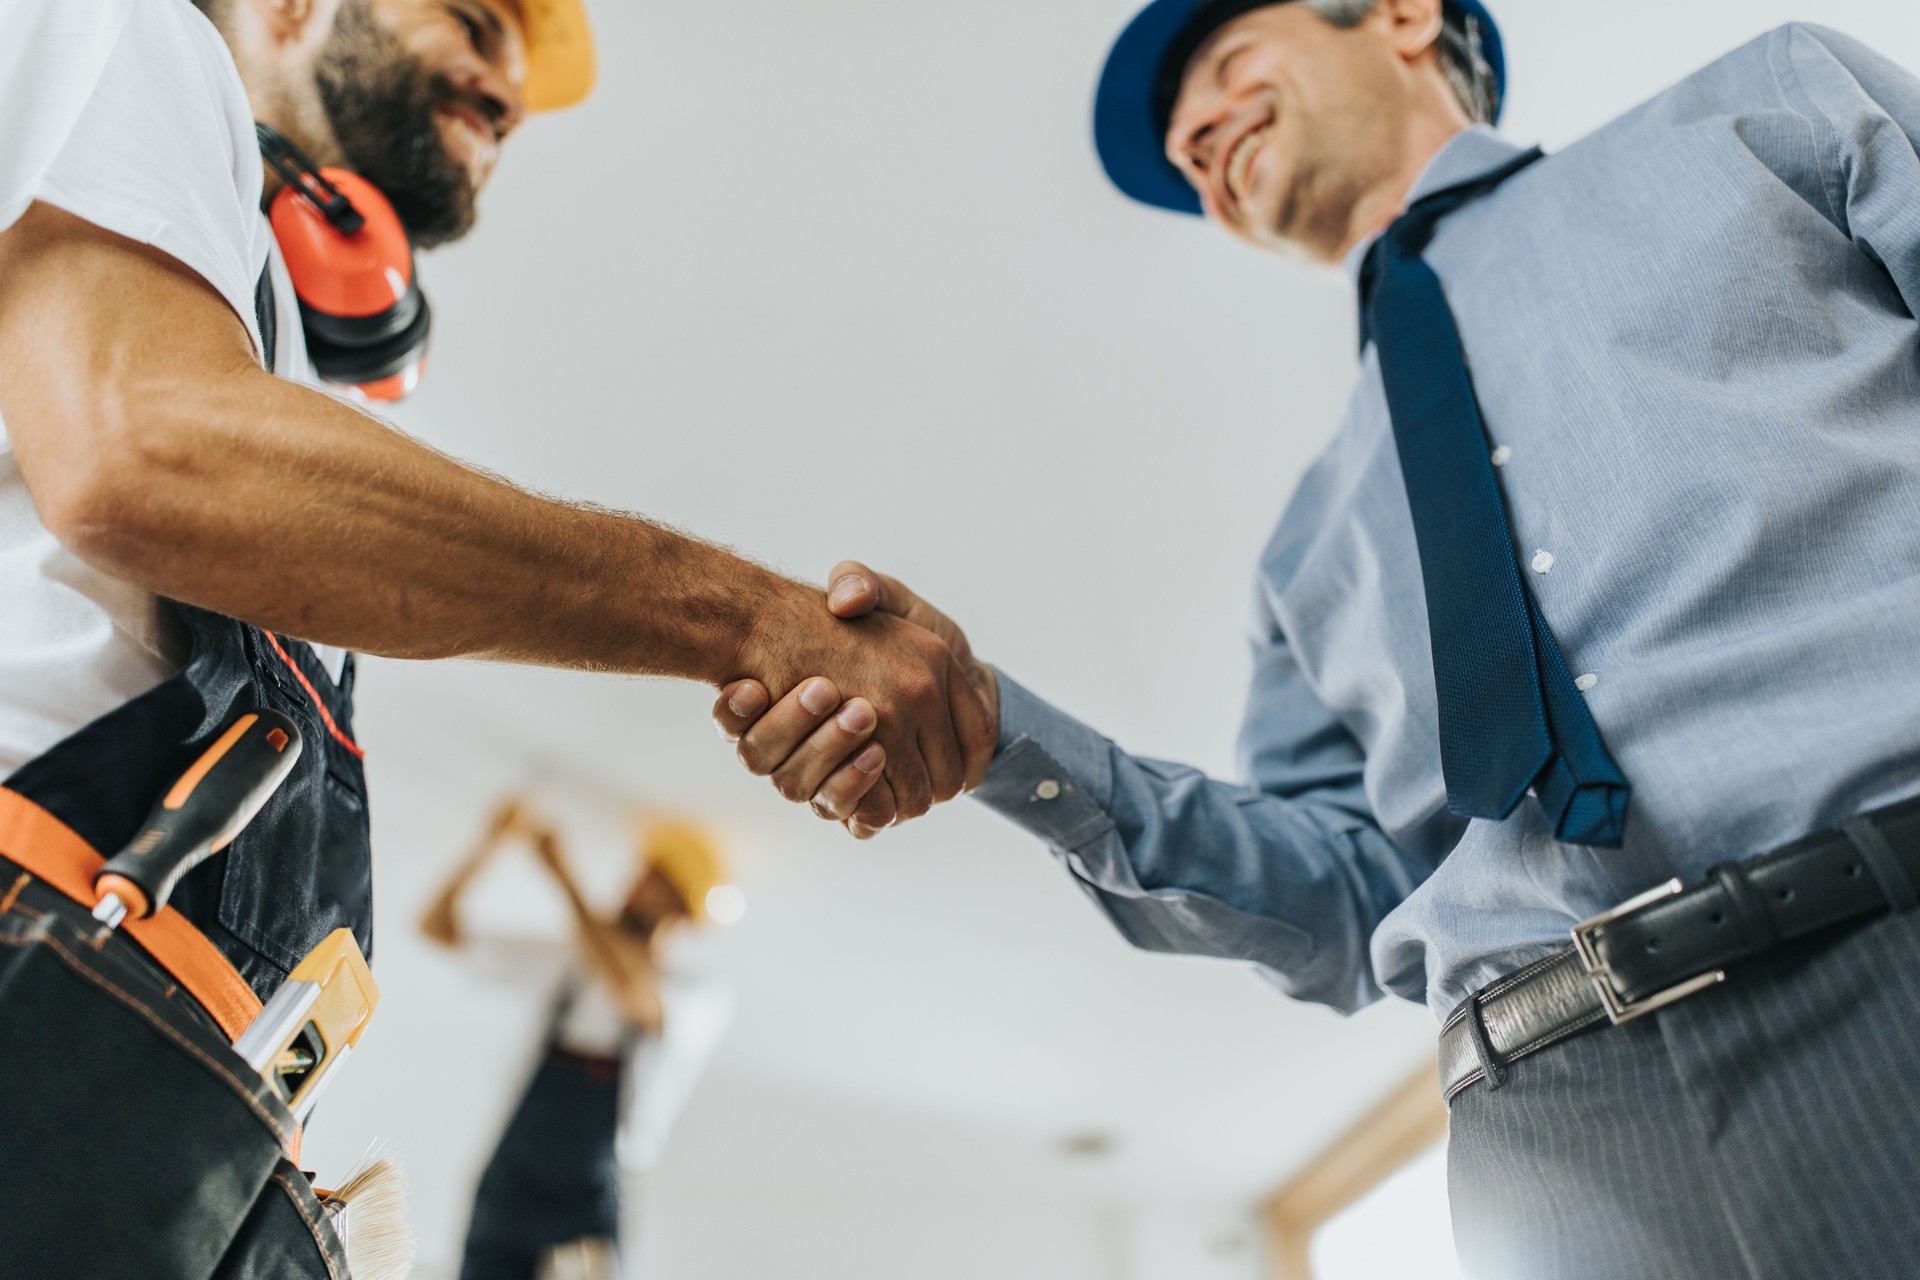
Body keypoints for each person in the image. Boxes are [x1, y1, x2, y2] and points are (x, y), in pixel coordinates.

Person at [716, 2, 1920, 1275]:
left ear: (1404, 15)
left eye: (1227, 66)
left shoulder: (1769, 111)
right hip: (1557, 1135)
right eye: (1184, 148)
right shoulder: (1302, 556)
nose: (1195, 136)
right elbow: (1353, 897)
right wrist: (999, 739)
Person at [0, 0, 993, 1001]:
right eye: (473, 24)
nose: (510, 99)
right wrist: (748, 620)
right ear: (294, 9)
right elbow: (139, 454)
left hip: (141, 1027)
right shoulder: (126, 33)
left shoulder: (282, 366)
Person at [422, 801, 731, 1280]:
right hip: (513, 1184)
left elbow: (631, 991)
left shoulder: (695, 996)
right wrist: (492, 844)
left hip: (588, 1200)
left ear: (678, 906)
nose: (631, 884)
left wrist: (562, 873)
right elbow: (438, 929)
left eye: (650, 877)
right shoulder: (571, 962)